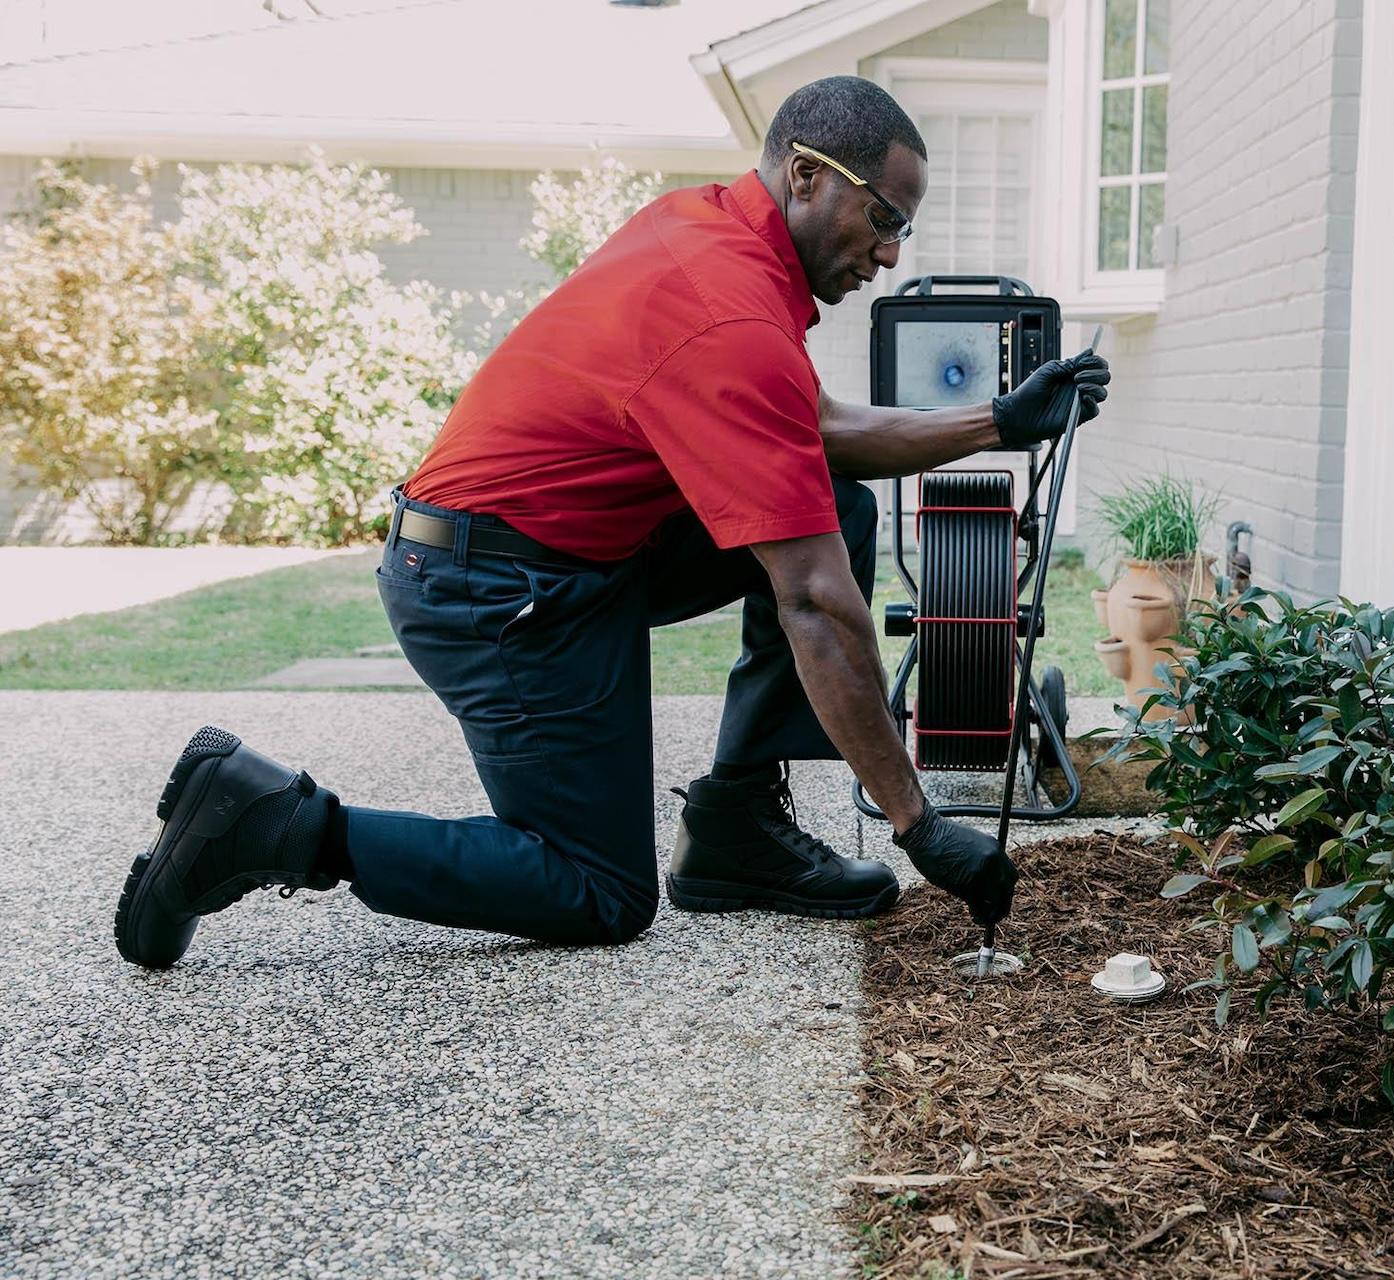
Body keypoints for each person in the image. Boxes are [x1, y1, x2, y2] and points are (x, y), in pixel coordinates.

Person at [114, 76, 1110, 969]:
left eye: (903, 229)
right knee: (596, 889)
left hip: (562, 551)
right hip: (489, 590)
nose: (890, 253)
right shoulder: (728, 313)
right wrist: (918, 822)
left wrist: (998, 422)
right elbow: (814, 601)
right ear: (808, 175)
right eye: (883, 216)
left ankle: (736, 831)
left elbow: (814, 432)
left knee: (833, 502)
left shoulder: (711, 232)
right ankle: (273, 824)